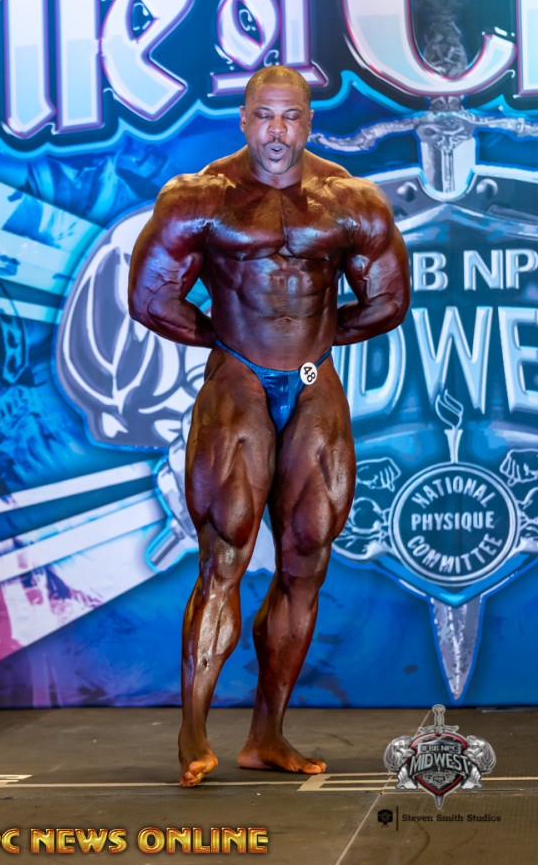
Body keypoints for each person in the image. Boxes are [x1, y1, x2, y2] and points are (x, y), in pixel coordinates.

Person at [128, 65, 410, 788]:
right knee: (225, 550)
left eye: (290, 117)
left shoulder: (351, 202)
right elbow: (151, 297)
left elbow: (387, 299)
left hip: (314, 381)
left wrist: (312, 344)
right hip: (238, 380)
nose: (276, 131)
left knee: (307, 555)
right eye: (264, 116)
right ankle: (194, 729)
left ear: (308, 122)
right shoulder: (201, 198)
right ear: (245, 119)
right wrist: (232, 347)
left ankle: (267, 735)